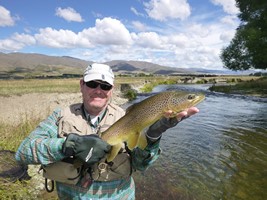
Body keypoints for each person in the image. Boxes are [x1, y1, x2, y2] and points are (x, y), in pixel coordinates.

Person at [15, 63, 199, 200]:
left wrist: (152, 137)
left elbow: (142, 165)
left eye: (105, 86)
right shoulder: (60, 116)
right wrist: (67, 145)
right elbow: (23, 152)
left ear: (112, 90)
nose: (98, 90)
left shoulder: (128, 117)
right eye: (92, 84)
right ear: (81, 85)